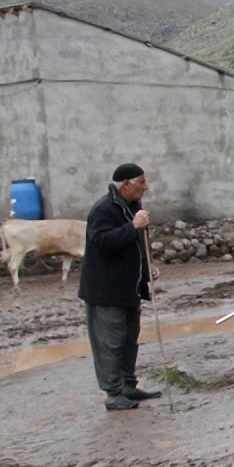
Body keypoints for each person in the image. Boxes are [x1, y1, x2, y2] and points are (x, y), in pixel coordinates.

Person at [79, 163, 161, 411]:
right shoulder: (102, 210)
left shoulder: (134, 207)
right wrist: (132, 226)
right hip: (106, 291)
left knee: (128, 340)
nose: (146, 187)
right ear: (126, 184)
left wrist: (147, 269)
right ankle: (113, 395)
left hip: (129, 289)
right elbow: (102, 243)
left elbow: (136, 246)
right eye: (142, 182)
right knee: (110, 343)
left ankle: (128, 386)